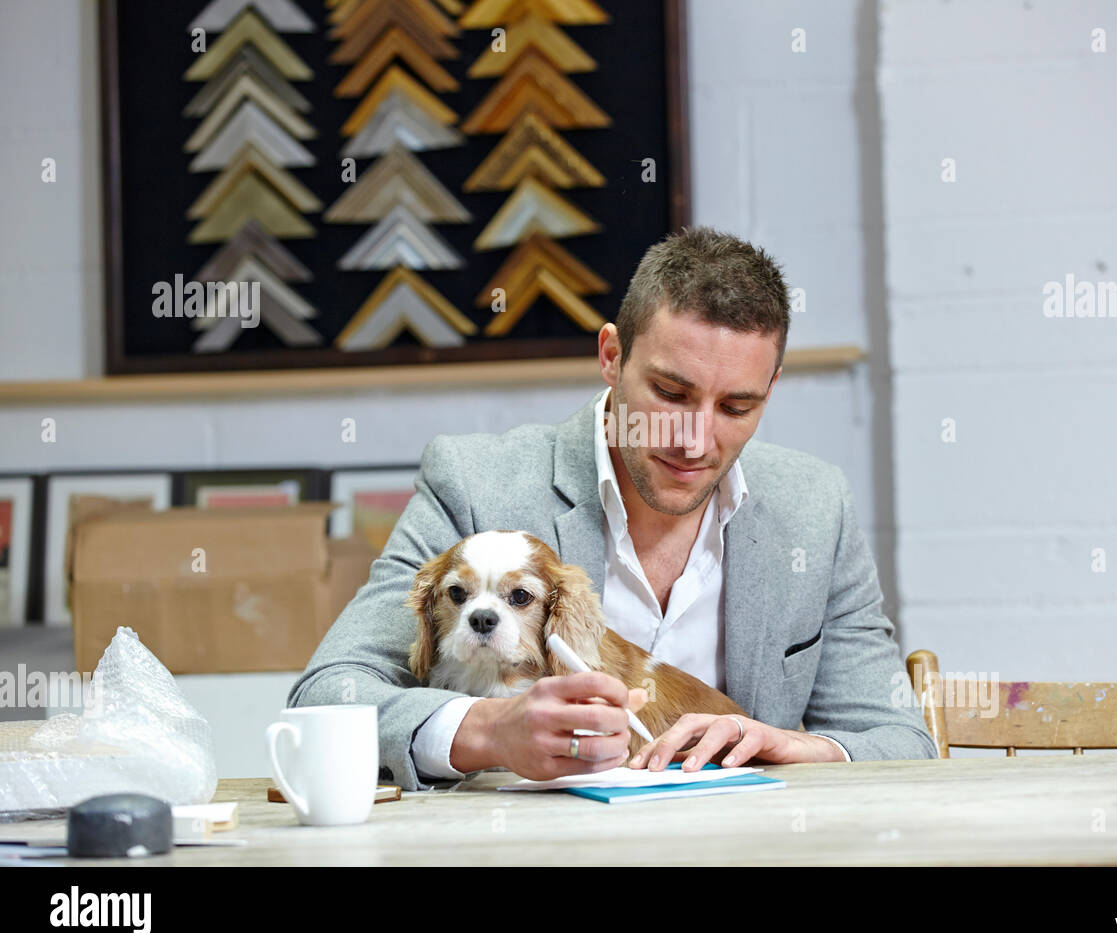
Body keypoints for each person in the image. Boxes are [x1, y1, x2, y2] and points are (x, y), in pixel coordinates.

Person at [288, 226, 936, 789]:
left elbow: (898, 739)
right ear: (611, 357)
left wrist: (801, 747)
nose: (695, 440)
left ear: (770, 390)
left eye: (737, 407)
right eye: (670, 392)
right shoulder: (475, 482)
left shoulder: (814, 507)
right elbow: (328, 693)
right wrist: (489, 732)